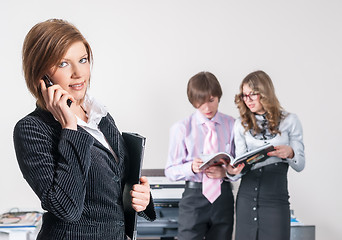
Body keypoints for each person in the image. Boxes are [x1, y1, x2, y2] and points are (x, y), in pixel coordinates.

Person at [13, 19, 155, 240]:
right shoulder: (32, 129)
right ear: (41, 75)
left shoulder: (100, 115)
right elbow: (66, 208)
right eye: (63, 63)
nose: (78, 73)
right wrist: (70, 128)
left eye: (83, 60)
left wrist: (142, 199)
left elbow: (117, 181)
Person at [228, 70, 305, 240]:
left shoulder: (290, 121)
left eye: (252, 95)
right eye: (244, 96)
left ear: (265, 93)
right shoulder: (240, 124)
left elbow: (300, 164)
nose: (247, 100)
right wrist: (233, 171)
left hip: (276, 200)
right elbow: (240, 162)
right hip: (246, 200)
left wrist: (290, 153)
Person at [165, 71, 236, 240]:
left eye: (211, 100)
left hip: (223, 197)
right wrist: (191, 167)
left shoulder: (232, 125)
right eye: (201, 103)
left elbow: (240, 164)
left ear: (218, 96)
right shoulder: (181, 128)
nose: (207, 108)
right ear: (193, 102)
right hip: (193, 198)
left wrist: (226, 172)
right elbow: (170, 171)